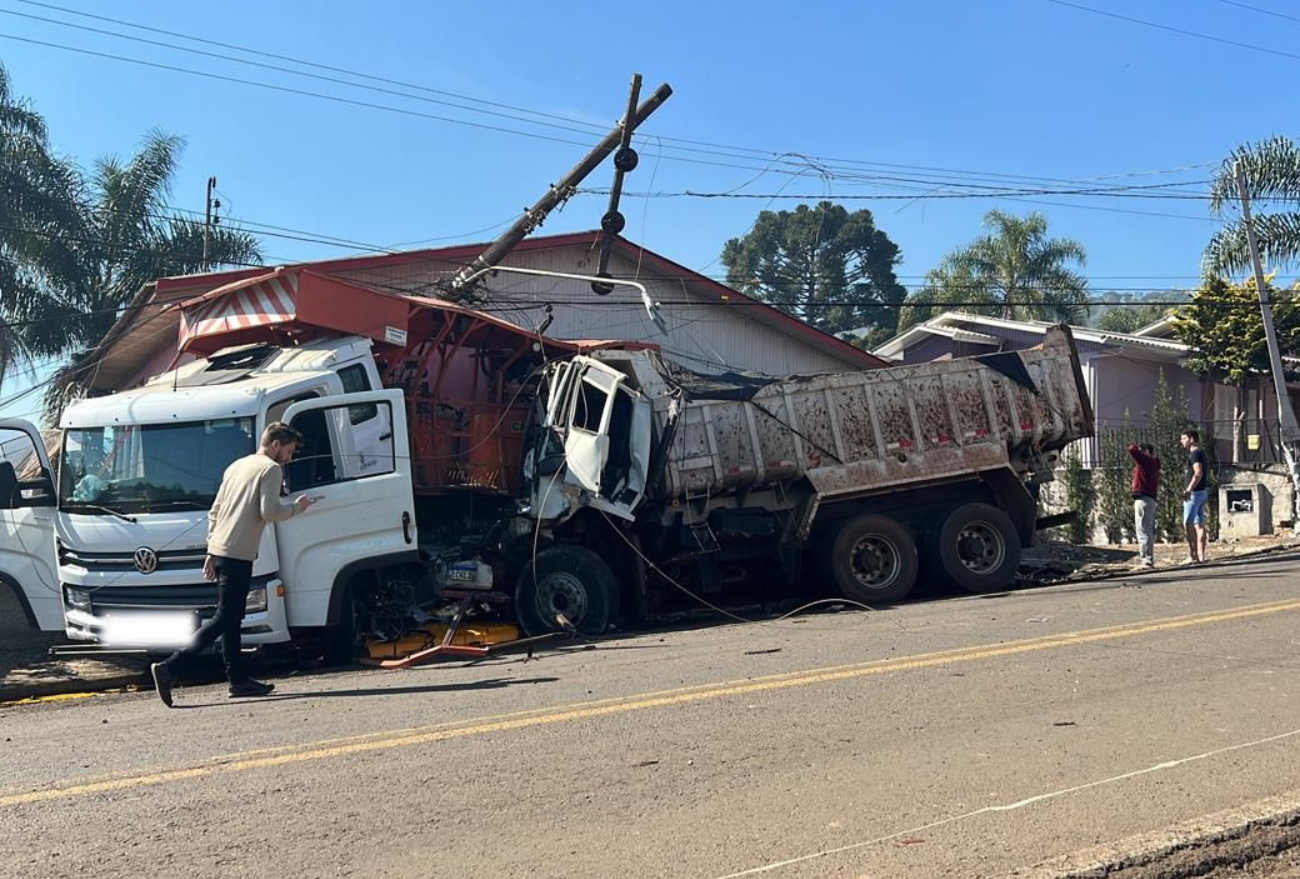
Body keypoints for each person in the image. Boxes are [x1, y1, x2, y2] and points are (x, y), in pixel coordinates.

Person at [151, 423, 316, 707]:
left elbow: (215, 511)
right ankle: (170, 667)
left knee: (231, 618)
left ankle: (238, 680)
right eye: (288, 452)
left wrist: (211, 549)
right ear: (276, 445)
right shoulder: (270, 469)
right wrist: (297, 508)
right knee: (226, 617)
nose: (289, 459)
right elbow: (270, 511)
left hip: (222, 548)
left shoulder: (237, 466)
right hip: (238, 552)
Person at [1128, 442, 1161, 568]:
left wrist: (1137, 447)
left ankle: (1146, 559)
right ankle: (1148, 558)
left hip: (1143, 498)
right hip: (1150, 499)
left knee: (1142, 529)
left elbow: (1132, 449)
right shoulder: (1153, 463)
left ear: (1147, 451)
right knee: (1146, 528)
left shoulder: (1147, 461)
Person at [1180, 429, 1209, 565]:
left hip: (1195, 493)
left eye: (1184, 438)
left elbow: (1198, 473)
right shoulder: (1200, 453)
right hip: (1201, 492)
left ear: (1191, 439)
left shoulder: (1195, 454)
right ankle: (1201, 555)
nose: (1182, 441)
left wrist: (1188, 489)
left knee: (1188, 523)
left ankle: (1193, 556)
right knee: (1199, 524)